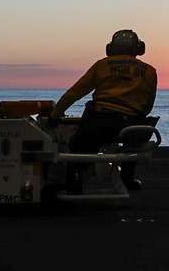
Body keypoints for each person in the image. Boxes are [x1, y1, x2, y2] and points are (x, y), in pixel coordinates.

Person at [48, 29, 157, 193]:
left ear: (110, 48)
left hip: (100, 121)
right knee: (132, 145)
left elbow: (74, 93)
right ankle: (127, 177)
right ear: (139, 48)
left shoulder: (102, 65)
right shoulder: (150, 71)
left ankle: (74, 185)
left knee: (76, 147)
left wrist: (54, 115)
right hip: (131, 125)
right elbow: (147, 107)